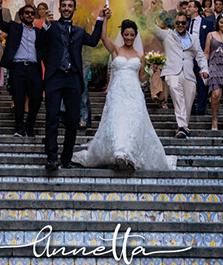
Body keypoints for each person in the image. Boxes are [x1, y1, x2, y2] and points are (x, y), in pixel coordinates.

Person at [72, 16, 176, 171]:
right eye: (126, 34)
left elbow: (141, 78)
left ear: (135, 36)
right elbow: (103, 37)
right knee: (117, 120)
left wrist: (150, 72)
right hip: (118, 90)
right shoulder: (116, 50)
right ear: (122, 35)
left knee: (133, 122)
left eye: (131, 35)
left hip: (134, 91)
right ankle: (120, 152)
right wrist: (105, 19)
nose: (128, 37)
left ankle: (127, 153)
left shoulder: (140, 55)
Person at [39, 0, 105, 171]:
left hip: (73, 79)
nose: (67, 8)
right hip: (55, 77)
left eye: (70, 6)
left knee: (73, 119)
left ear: (74, 9)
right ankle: (52, 158)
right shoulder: (51, 27)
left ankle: (66, 157)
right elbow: (39, 44)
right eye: (64, 6)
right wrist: (45, 25)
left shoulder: (79, 31)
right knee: (52, 118)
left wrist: (100, 19)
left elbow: (93, 41)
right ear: (59, 8)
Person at [147, 0, 209, 139]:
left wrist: (205, 69)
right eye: (178, 23)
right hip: (172, 72)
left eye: (183, 23)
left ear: (187, 23)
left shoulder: (194, 39)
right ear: (174, 24)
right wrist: (152, 11)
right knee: (176, 93)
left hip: (189, 74)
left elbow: (200, 56)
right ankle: (181, 126)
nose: (180, 25)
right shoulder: (167, 34)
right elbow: (151, 26)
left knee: (188, 100)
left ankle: (183, 128)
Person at [0, 0, 45, 137]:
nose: (29, 15)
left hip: (34, 68)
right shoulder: (14, 27)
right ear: (21, 15)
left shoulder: (39, 32)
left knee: (36, 98)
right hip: (17, 67)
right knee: (18, 98)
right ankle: (19, 128)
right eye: (26, 13)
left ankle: (29, 126)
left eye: (32, 13)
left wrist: (48, 23)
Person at [186, 0, 212, 115]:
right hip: (187, 57)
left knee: (202, 83)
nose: (188, 8)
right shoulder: (185, 23)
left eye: (190, 6)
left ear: (196, 9)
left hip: (201, 56)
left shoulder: (208, 23)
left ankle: (201, 108)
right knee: (189, 83)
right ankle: (190, 108)